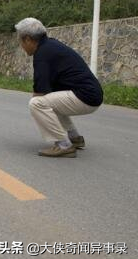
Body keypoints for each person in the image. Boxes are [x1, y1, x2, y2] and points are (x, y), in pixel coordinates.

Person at [15, 18, 103, 157]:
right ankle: (75, 138)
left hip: (85, 97)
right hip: (91, 95)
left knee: (37, 104)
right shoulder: (51, 45)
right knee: (49, 103)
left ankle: (63, 145)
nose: (21, 46)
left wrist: (39, 114)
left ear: (27, 39)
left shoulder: (42, 54)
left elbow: (40, 92)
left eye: (20, 41)